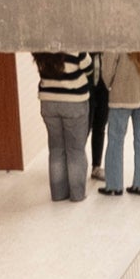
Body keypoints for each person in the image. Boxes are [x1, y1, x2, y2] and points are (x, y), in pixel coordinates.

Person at [29, 48, 98, 205]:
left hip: (48, 102)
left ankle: (58, 194)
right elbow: (89, 68)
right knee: (75, 150)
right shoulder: (74, 48)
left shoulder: (40, 48)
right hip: (74, 102)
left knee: (56, 150)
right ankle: (77, 194)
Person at [90, 44, 140, 198]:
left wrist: (111, 85)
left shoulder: (118, 36)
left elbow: (107, 70)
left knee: (115, 140)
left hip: (122, 94)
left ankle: (114, 185)